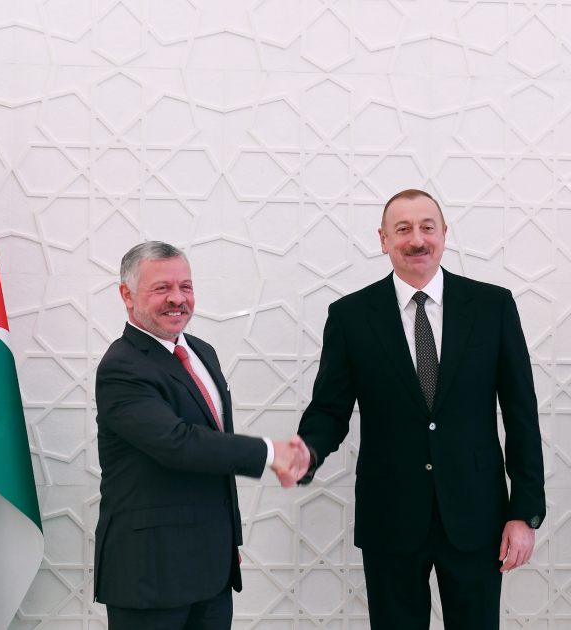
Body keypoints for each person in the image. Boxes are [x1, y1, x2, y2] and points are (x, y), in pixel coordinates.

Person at [284, 190, 546, 629]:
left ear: (444, 234)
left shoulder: (493, 306)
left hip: (477, 514)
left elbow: (522, 415)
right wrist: (306, 452)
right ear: (383, 239)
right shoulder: (350, 316)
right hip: (390, 515)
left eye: (427, 227)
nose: (417, 240)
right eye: (403, 229)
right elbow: (329, 409)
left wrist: (524, 512)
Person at [93, 241, 310, 630]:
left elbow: (214, 449)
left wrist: (228, 539)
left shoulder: (202, 352)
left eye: (186, 286)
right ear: (127, 295)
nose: (177, 299)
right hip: (150, 572)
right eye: (162, 288)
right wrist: (269, 452)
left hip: (211, 569)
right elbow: (178, 443)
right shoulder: (122, 367)